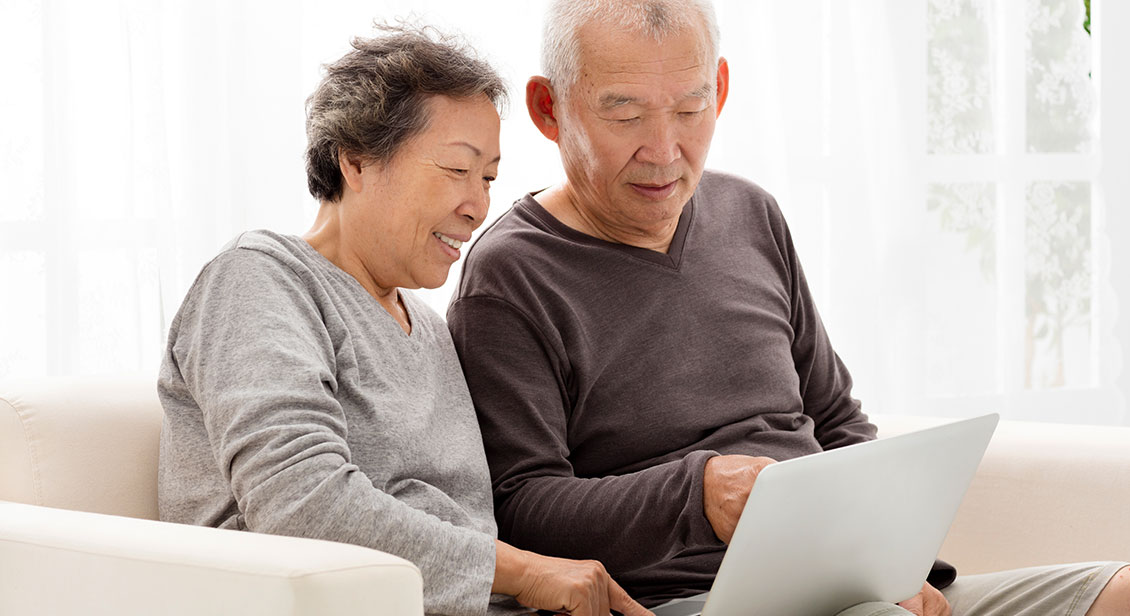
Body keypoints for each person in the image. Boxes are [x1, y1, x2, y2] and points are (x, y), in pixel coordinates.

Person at [446, 1, 1130, 615]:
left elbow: (835, 420)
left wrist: (897, 562)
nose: (664, 151)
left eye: (689, 109)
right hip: (683, 598)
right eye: (624, 112)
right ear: (548, 109)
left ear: (719, 89)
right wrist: (698, 495)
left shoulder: (750, 213)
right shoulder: (509, 276)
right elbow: (521, 507)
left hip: (849, 587)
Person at [157, 23, 651, 616]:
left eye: (489, 178)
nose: (478, 206)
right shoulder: (258, 279)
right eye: (455, 170)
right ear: (358, 161)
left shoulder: (430, 326)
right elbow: (300, 504)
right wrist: (523, 572)